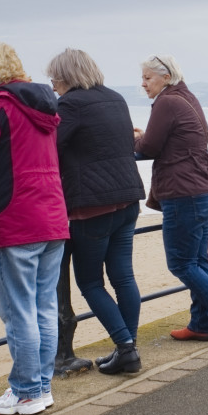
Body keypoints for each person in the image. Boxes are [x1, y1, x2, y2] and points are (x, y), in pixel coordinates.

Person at [0, 44, 69, 415]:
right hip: (51, 215)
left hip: (15, 216)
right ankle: (41, 386)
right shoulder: (43, 106)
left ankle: (25, 391)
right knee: (44, 305)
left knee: (19, 310)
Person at [133, 54, 208, 343]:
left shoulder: (167, 101)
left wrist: (132, 138)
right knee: (198, 260)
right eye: (143, 77)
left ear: (166, 77)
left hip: (183, 193)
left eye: (148, 78)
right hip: (202, 190)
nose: (143, 83)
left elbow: (148, 148)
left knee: (181, 263)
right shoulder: (187, 98)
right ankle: (200, 324)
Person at [46, 49, 146, 375]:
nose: (52, 83)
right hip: (128, 199)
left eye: (54, 77)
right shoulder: (116, 99)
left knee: (90, 282)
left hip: (91, 208)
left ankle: (126, 347)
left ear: (66, 77)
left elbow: (49, 148)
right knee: (123, 276)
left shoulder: (70, 105)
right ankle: (127, 349)